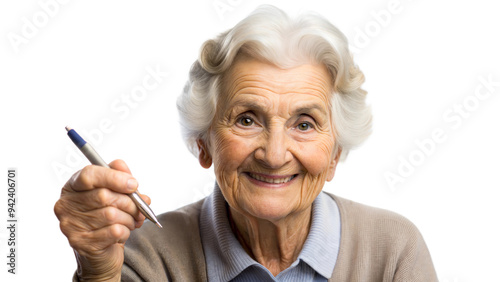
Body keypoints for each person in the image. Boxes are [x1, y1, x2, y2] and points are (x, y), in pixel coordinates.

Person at [54, 5, 438, 281]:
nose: (273, 155)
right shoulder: (149, 256)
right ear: (204, 143)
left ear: (335, 153)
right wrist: (100, 272)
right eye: (247, 119)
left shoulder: (393, 252)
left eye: (304, 124)